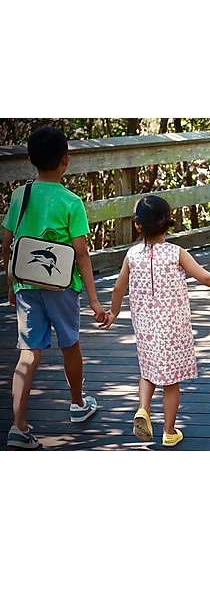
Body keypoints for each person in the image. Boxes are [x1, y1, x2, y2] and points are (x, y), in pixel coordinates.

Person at [100, 195, 210, 447]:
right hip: (173, 327)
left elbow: (118, 289)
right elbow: (206, 279)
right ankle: (169, 431)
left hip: (145, 327)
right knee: (171, 380)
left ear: (137, 225)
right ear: (167, 223)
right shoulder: (176, 253)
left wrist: (114, 313)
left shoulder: (131, 255)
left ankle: (143, 409)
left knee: (148, 370)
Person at [1, 126, 106, 449]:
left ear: (31, 159)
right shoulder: (71, 201)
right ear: (66, 160)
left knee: (28, 353)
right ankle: (77, 404)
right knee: (70, 344)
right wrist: (93, 299)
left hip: (26, 285)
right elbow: (82, 254)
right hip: (62, 287)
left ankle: (18, 426)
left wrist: (11, 281)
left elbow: (7, 243)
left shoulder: (21, 195)